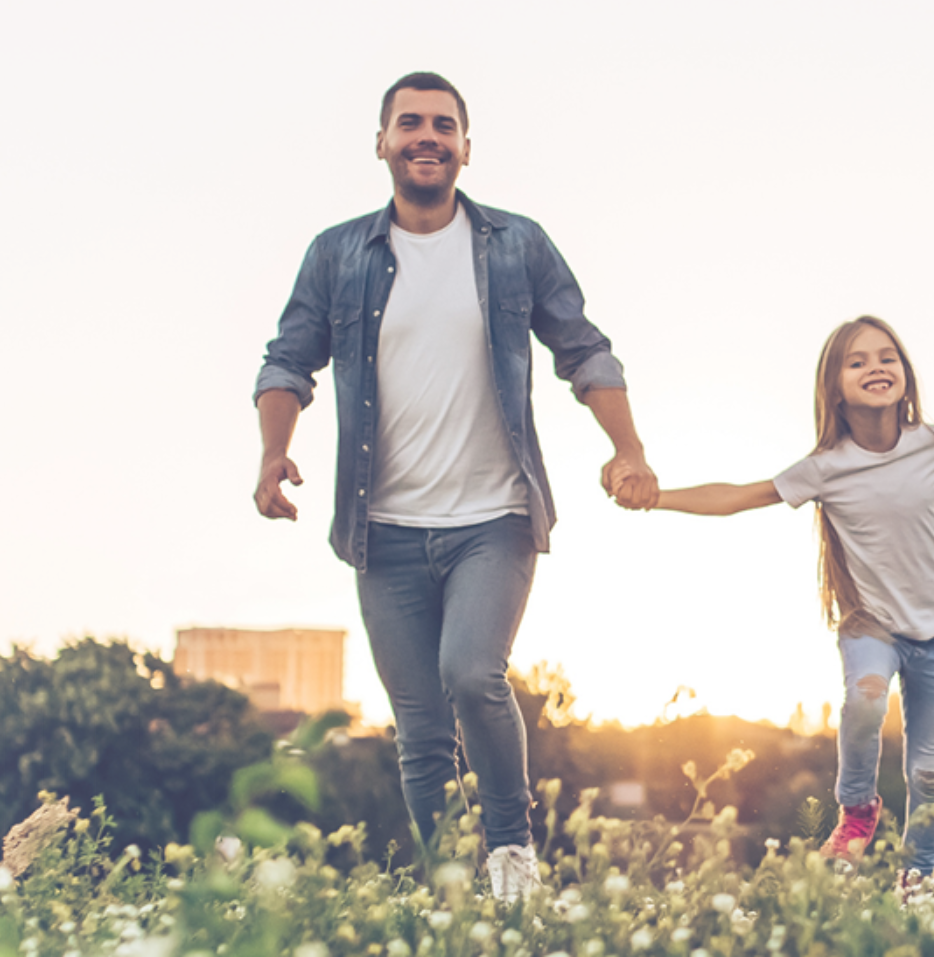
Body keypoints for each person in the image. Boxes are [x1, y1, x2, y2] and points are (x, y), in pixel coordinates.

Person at [252, 71, 657, 899]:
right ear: (382, 143)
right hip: (384, 529)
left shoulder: (517, 244)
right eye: (410, 124)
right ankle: (445, 888)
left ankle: (511, 857)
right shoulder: (338, 254)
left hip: (494, 517)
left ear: (467, 147)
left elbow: (584, 349)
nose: (426, 136)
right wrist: (272, 453)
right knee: (420, 730)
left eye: (443, 124)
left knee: (473, 672)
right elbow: (288, 360)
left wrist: (629, 449)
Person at [649, 315, 934, 887]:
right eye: (857, 361)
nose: (876, 368)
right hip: (871, 625)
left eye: (887, 357)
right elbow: (739, 496)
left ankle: (918, 881)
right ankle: (858, 809)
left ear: (905, 375)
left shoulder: (931, 443)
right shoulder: (825, 467)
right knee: (865, 699)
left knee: (931, 773)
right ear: (834, 388)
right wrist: (656, 497)